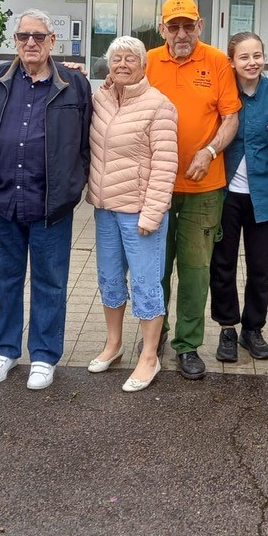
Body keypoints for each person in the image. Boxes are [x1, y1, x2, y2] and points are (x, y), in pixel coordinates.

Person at [0, 8, 92, 391]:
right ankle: (4, 350)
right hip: (0, 201)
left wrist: (74, 185)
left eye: (38, 36)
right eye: (23, 37)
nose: (31, 43)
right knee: (2, 280)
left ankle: (44, 354)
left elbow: (87, 139)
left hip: (50, 204)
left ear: (53, 41)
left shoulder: (74, 83)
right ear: (15, 41)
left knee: (50, 282)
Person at [145, 0, 240, 380]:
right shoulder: (147, 60)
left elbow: (231, 116)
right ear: (162, 27)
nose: (181, 33)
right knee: (154, 267)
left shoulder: (217, 61)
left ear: (200, 25)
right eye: (174, 26)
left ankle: (188, 345)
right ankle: (155, 337)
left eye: (188, 26)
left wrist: (211, 149)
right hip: (156, 186)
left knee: (196, 269)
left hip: (205, 187)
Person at [86, 36, 179, 392]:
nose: (122, 65)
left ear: (144, 65)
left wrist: (153, 213)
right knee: (109, 280)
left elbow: (165, 165)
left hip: (141, 212)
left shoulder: (160, 106)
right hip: (105, 209)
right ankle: (114, 343)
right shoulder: (102, 99)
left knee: (145, 283)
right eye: (116, 59)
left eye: (131, 59)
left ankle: (150, 356)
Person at [208, 31, 268, 363]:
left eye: (257, 56)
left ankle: (253, 329)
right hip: (224, 195)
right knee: (222, 264)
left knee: (261, 266)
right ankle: (227, 328)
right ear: (231, 61)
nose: (251, 63)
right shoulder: (223, 92)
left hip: (264, 195)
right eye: (244, 57)